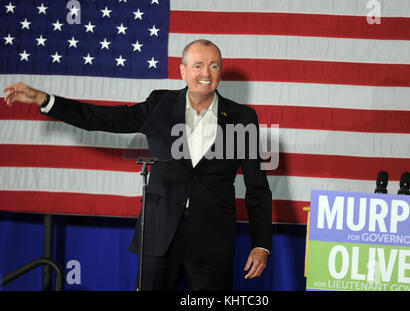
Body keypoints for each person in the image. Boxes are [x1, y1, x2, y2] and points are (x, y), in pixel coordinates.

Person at [3, 39, 272, 291]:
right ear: (182, 71)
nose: (206, 73)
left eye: (214, 65)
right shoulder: (161, 104)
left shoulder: (242, 117)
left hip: (212, 239)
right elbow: (103, 118)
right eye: (198, 65)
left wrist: (261, 244)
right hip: (159, 234)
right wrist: (44, 99)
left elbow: (257, 187)